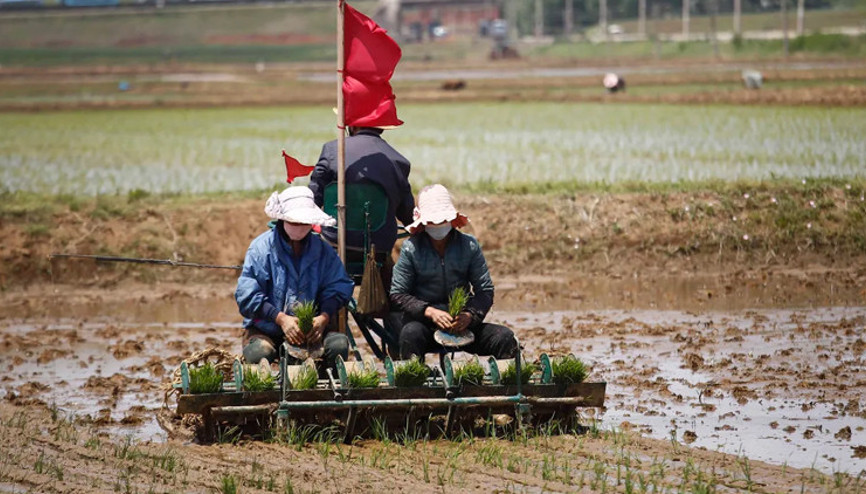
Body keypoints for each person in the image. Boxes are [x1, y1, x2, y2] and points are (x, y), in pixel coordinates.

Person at [390, 184, 518, 360]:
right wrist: (430, 312)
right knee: (410, 333)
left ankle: (508, 386)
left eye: (442, 220)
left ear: (451, 219)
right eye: (432, 222)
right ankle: (416, 385)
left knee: (504, 337)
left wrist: (469, 315)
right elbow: (398, 294)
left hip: (462, 326)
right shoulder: (411, 249)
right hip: (425, 326)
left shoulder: (469, 246)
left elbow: (485, 290)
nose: (437, 225)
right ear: (424, 223)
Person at [235, 186, 354, 370]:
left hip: (312, 331)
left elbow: (339, 286)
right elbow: (246, 296)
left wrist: (322, 318)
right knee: (260, 353)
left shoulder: (323, 251)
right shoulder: (261, 249)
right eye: (294, 221)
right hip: (267, 329)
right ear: (282, 219)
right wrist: (281, 319)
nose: (299, 226)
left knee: (338, 345)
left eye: (303, 222)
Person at [308, 126, 414, 287]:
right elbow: (407, 214)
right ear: (382, 127)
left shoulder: (332, 150)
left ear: (352, 126)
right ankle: (388, 301)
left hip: (334, 240)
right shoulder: (399, 161)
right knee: (389, 267)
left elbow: (313, 198)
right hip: (378, 246)